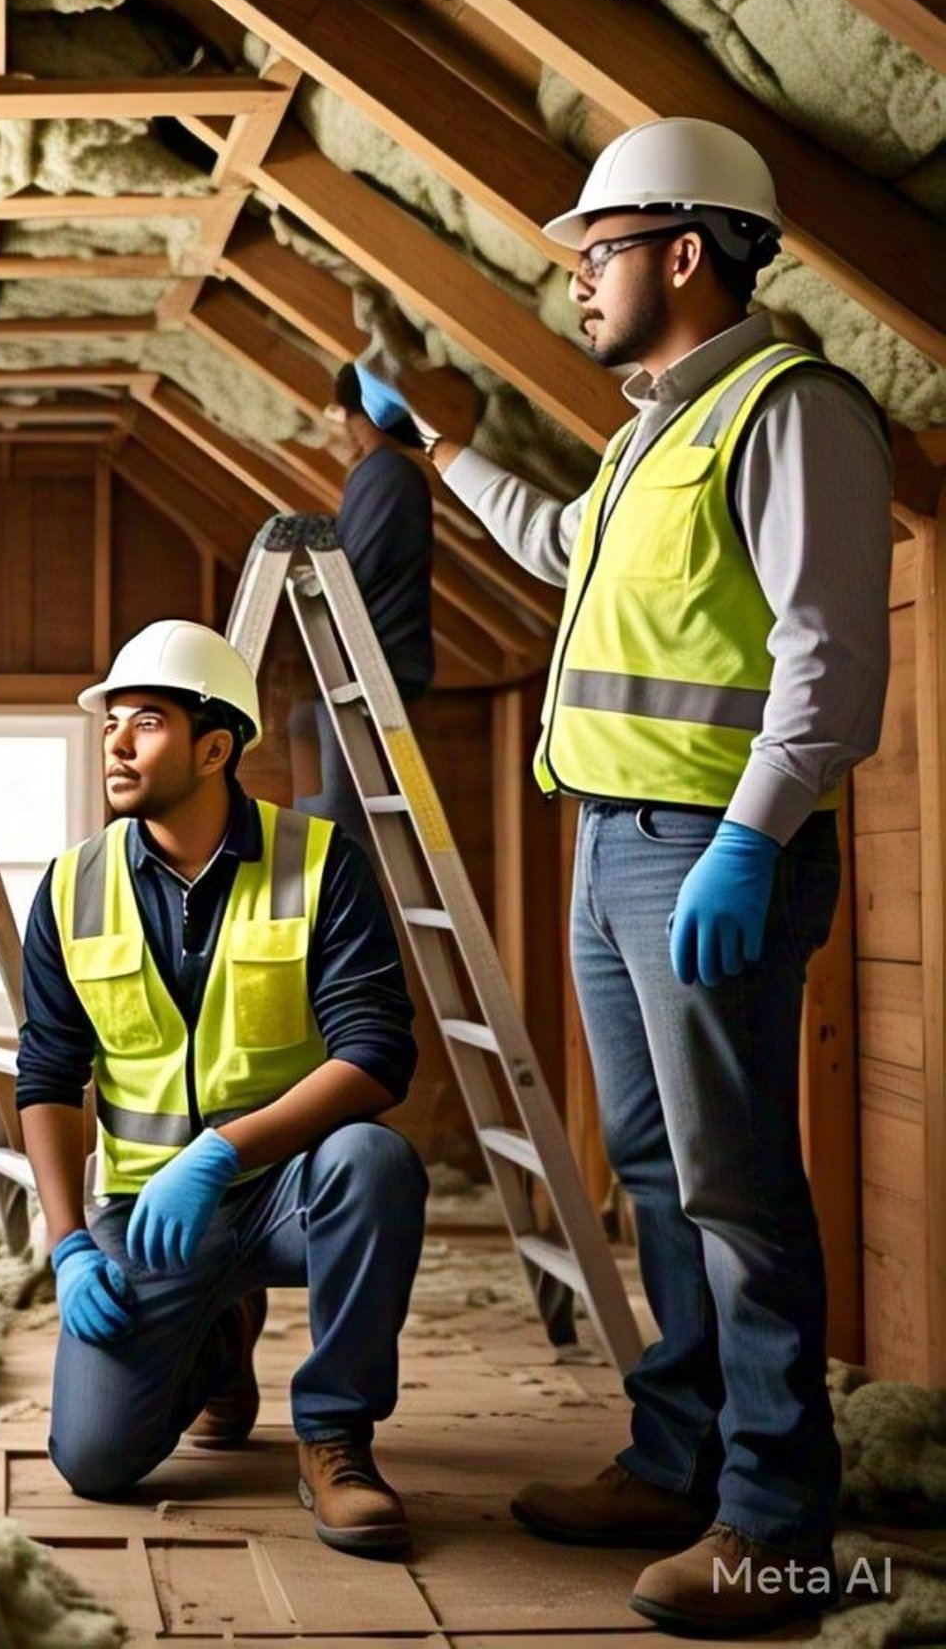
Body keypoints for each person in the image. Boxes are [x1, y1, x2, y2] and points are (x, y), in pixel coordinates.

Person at [358, 118, 891, 1635]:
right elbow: (551, 547)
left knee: (736, 1185)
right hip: (613, 844)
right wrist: (437, 449)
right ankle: (678, 1457)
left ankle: (775, 1519)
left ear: (684, 249)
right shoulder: (650, 431)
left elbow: (831, 662)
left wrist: (752, 835)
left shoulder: (793, 415)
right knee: (655, 1171)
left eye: (596, 252)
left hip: (714, 854)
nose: (579, 281)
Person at [16, 620, 427, 1556]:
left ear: (215, 748)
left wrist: (227, 1148)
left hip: (285, 1186)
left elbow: (376, 1057)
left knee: (375, 1162)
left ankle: (334, 1436)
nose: (116, 743)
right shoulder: (73, 884)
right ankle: (218, 1337)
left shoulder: (321, 865)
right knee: (95, 1461)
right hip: (151, 1209)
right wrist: (69, 1243)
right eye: (111, 722)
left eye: (146, 722)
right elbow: (47, 1070)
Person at [290, 358, 434, 854]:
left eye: (346, 416)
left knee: (346, 836)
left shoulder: (386, 472)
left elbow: (356, 577)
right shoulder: (389, 474)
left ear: (365, 413)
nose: (344, 432)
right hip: (374, 673)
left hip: (374, 674)